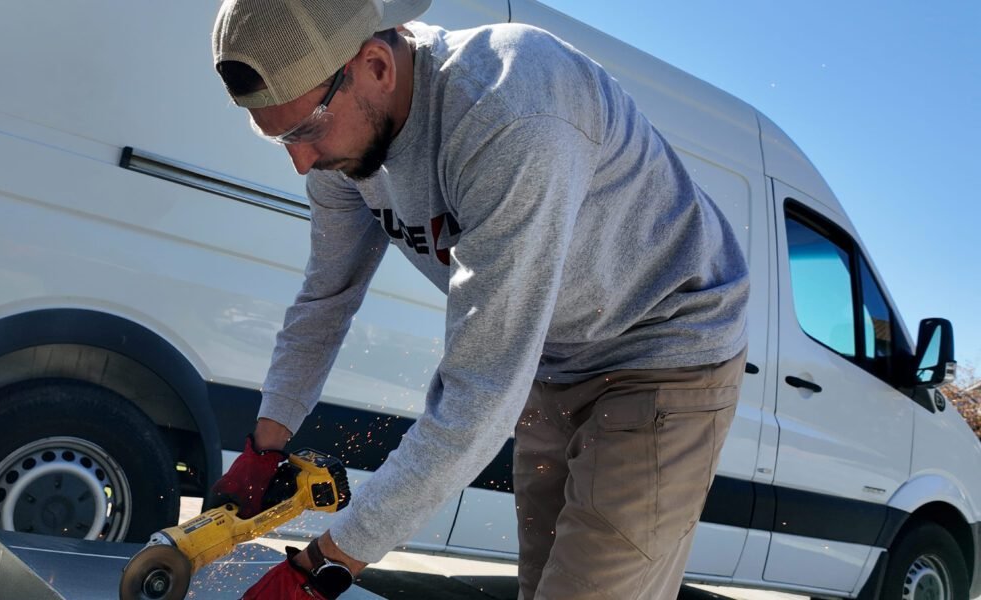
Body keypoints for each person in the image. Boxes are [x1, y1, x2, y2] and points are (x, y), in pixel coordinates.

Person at [207, 0, 750, 598]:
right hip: (554, 355)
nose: (301, 160)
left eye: (306, 129)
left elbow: (480, 394)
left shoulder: (511, 111)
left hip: (664, 346)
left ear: (376, 66)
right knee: (542, 584)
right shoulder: (340, 148)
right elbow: (325, 297)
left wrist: (322, 568)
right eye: (281, 137)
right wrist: (267, 443)